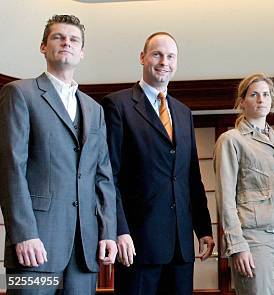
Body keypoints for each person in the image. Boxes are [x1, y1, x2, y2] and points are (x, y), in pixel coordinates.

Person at [0, 14, 117, 294]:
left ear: (82, 52)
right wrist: (24, 234)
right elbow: (10, 167)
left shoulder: (94, 109)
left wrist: (108, 232)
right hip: (34, 248)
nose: (66, 42)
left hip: (83, 250)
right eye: (58, 37)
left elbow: (103, 176)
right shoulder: (18, 93)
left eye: (73, 39)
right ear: (43, 47)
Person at [102, 32, 214, 295]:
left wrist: (204, 229)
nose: (164, 61)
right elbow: (109, 176)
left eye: (170, 56)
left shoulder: (184, 112)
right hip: (137, 244)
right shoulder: (117, 105)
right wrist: (119, 230)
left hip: (180, 246)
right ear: (142, 57)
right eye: (157, 54)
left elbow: (191, 176)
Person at [214, 73, 274, 295]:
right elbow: (226, 200)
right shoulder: (231, 140)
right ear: (242, 102)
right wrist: (236, 246)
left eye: (266, 94)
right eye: (254, 94)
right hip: (256, 238)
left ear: (273, 100)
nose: (261, 99)